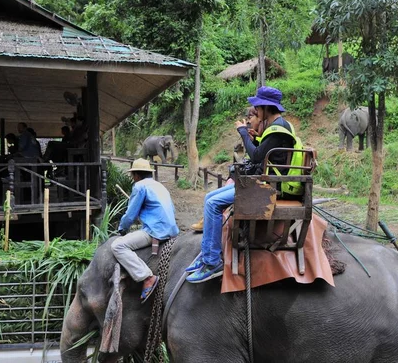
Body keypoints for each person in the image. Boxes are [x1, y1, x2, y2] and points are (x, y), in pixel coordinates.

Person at [186, 86, 299, 283]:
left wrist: (243, 133)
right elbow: (263, 152)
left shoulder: (277, 129)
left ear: (265, 108)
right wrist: (255, 137)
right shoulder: (280, 126)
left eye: (257, 108)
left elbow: (255, 155)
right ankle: (206, 255)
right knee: (208, 197)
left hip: (267, 187)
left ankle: (213, 262)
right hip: (264, 181)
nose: (255, 111)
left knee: (213, 204)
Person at [112, 158, 179, 302]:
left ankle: (147, 277)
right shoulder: (160, 186)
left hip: (156, 231)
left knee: (118, 246)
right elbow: (171, 209)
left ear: (136, 175)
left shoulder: (139, 186)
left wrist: (122, 229)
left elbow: (130, 215)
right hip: (172, 229)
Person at [190, 106, 264, 232]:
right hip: (249, 180)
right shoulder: (263, 136)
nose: (248, 122)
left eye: (250, 117)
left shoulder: (270, 135)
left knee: (213, 201)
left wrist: (244, 134)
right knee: (211, 195)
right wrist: (253, 139)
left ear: (261, 118)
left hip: (254, 185)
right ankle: (208, 219)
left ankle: (212, 247)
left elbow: (256, 158)